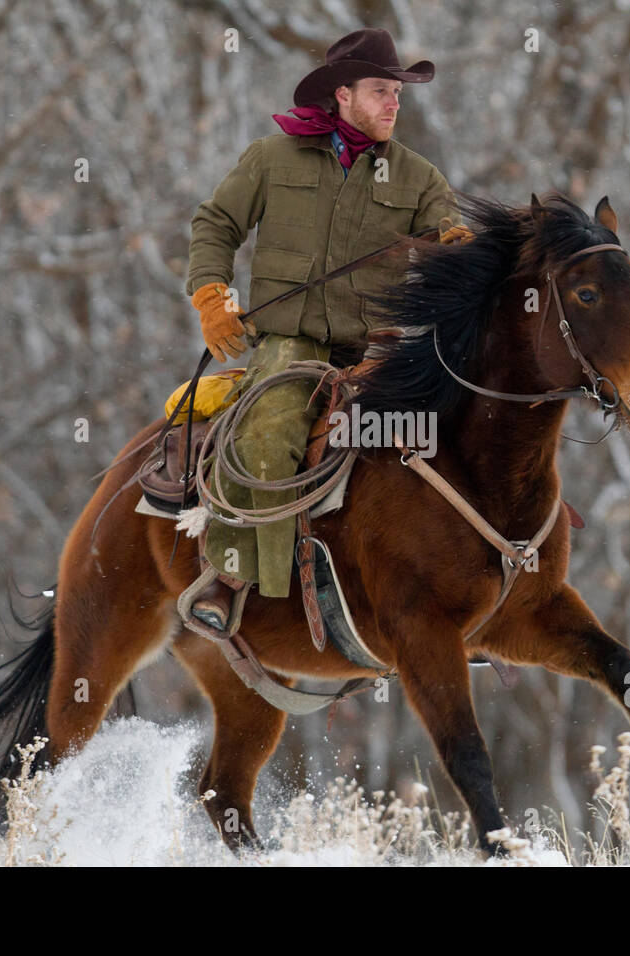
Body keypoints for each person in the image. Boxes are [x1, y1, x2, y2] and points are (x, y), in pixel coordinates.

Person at [184, 28, 474, 633]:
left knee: (452, 441)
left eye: (398, 92)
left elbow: (454, 235)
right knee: (267, 439)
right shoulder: (272, 159)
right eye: (380, 91)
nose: (394, 103)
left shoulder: (418, 178)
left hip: (379, 350)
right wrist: (211, 293)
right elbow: (216, 223)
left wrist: (463, 249)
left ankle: (464, 595)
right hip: (292, 344)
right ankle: (239, 577)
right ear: (342, 94)